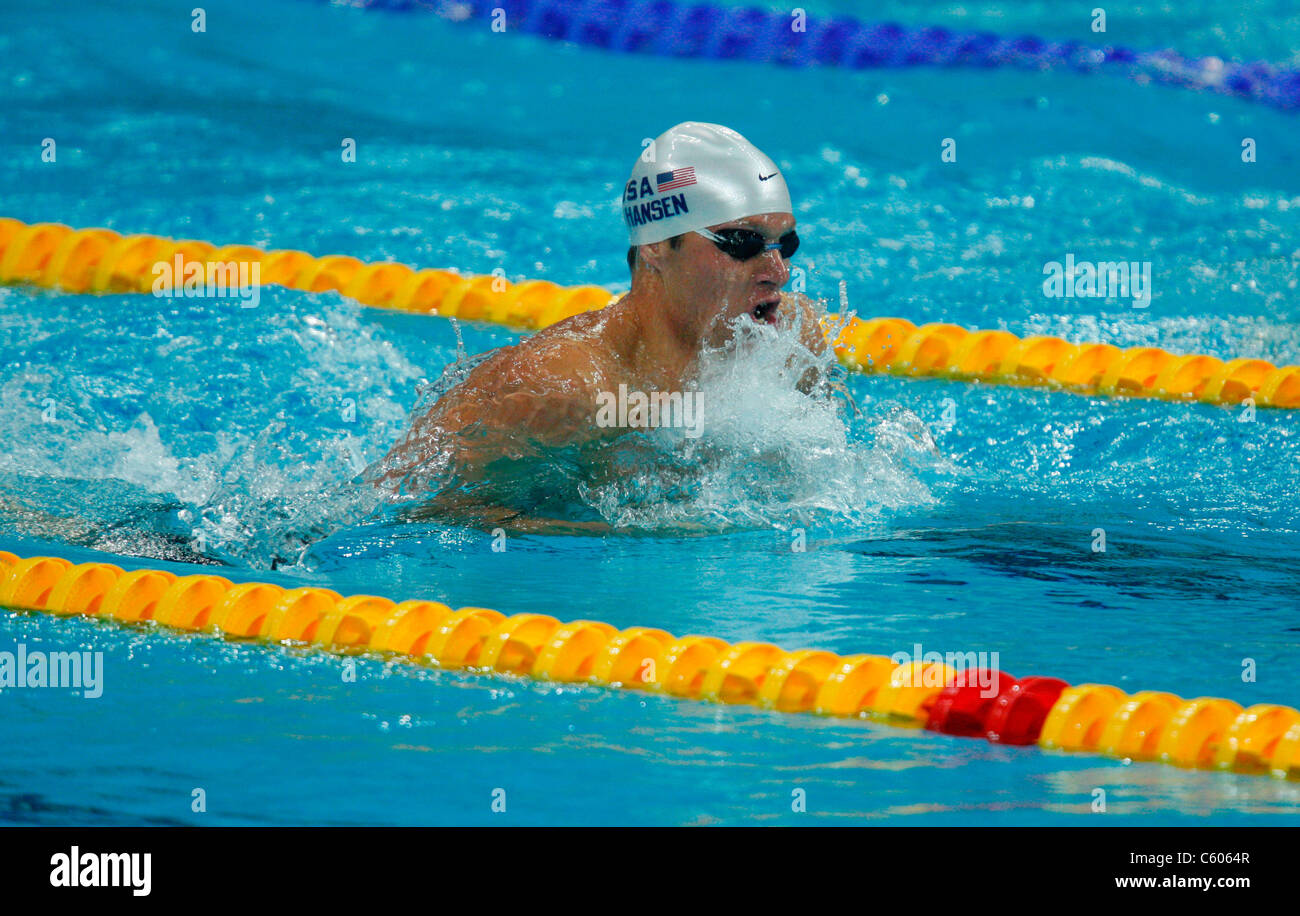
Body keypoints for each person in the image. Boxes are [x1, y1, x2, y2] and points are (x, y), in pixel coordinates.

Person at [371, 122, 828, 527]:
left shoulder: (792, 343)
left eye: (785, 245)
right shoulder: (563, 385)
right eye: (743, 243)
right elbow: (412, 513)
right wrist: (646, 535)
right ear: (655, 246)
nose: (778, 272)